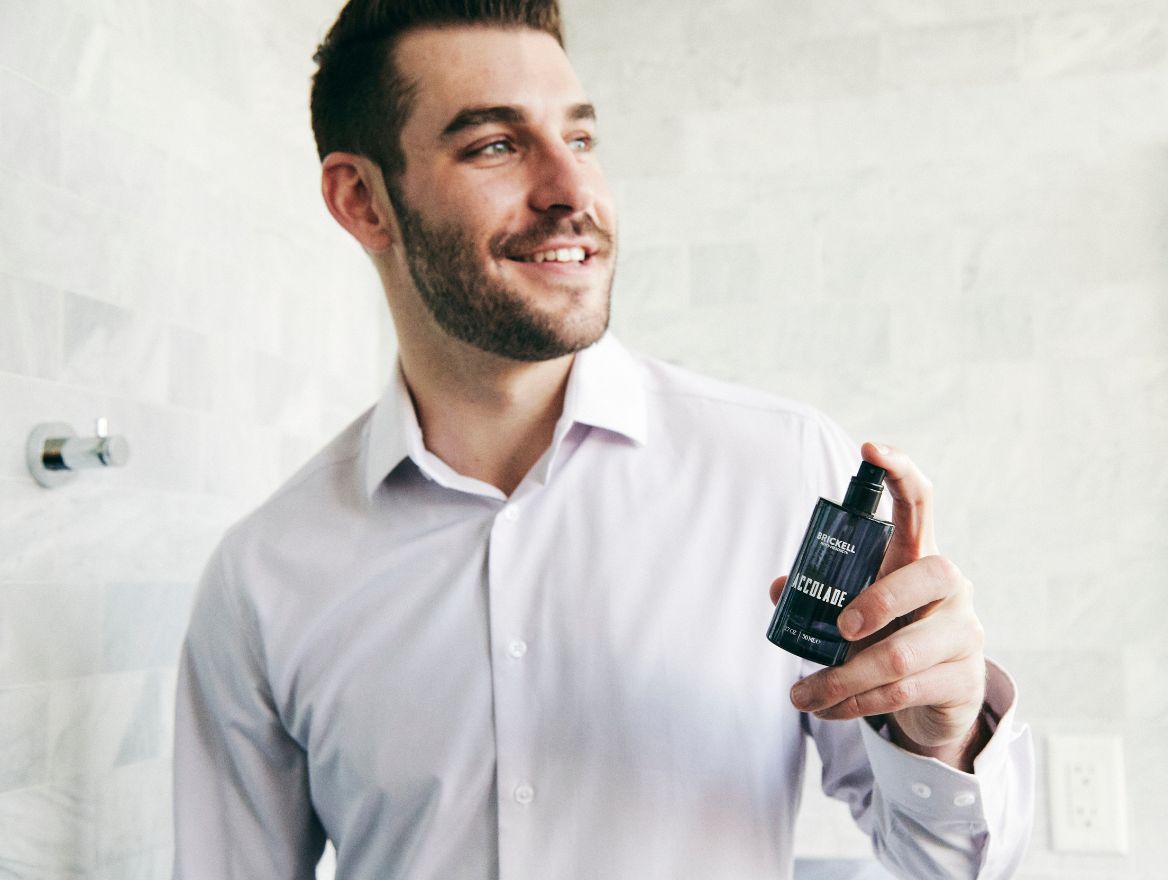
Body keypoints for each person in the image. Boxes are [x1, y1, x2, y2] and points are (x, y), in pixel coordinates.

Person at [172, 1, 1034, 878]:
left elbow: (952, 868)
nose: (571, 192)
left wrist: (946, 732)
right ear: (363, 201)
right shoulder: (263, 575)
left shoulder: (781, 472)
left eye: (580, 141)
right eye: (496, 146)